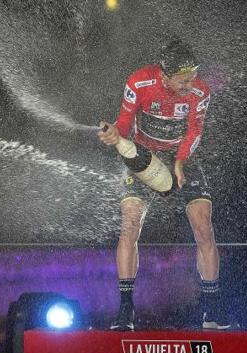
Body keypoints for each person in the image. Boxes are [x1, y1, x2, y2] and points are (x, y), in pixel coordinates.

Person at [98, 39, 232, 331]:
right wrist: (113, 135)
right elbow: (123, 123)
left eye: (192, 78)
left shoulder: (200, 91)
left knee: (203, 224)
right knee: (130, 222)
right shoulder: (139, 81)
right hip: (144, 157)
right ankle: (126, 310)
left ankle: (211, 310)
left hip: (183, 155)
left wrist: (181, 161)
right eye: (182, 81)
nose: (189, 85)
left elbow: (196, 129)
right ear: (163, 75)